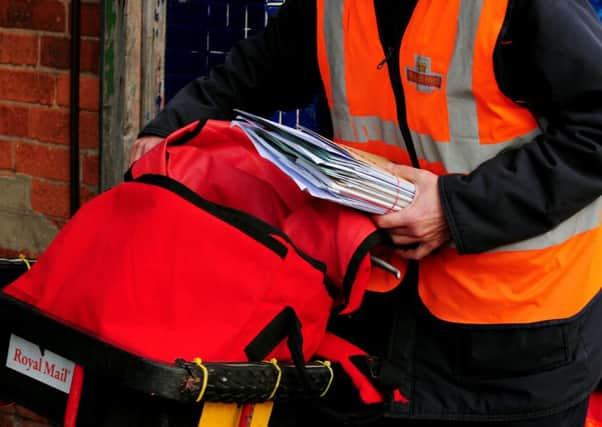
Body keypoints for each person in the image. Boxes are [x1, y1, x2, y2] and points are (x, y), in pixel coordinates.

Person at [131, 0, 602, 426]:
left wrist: (453, 207)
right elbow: (259, 70)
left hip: (519, 349)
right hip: (377, 326)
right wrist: (170, 128)